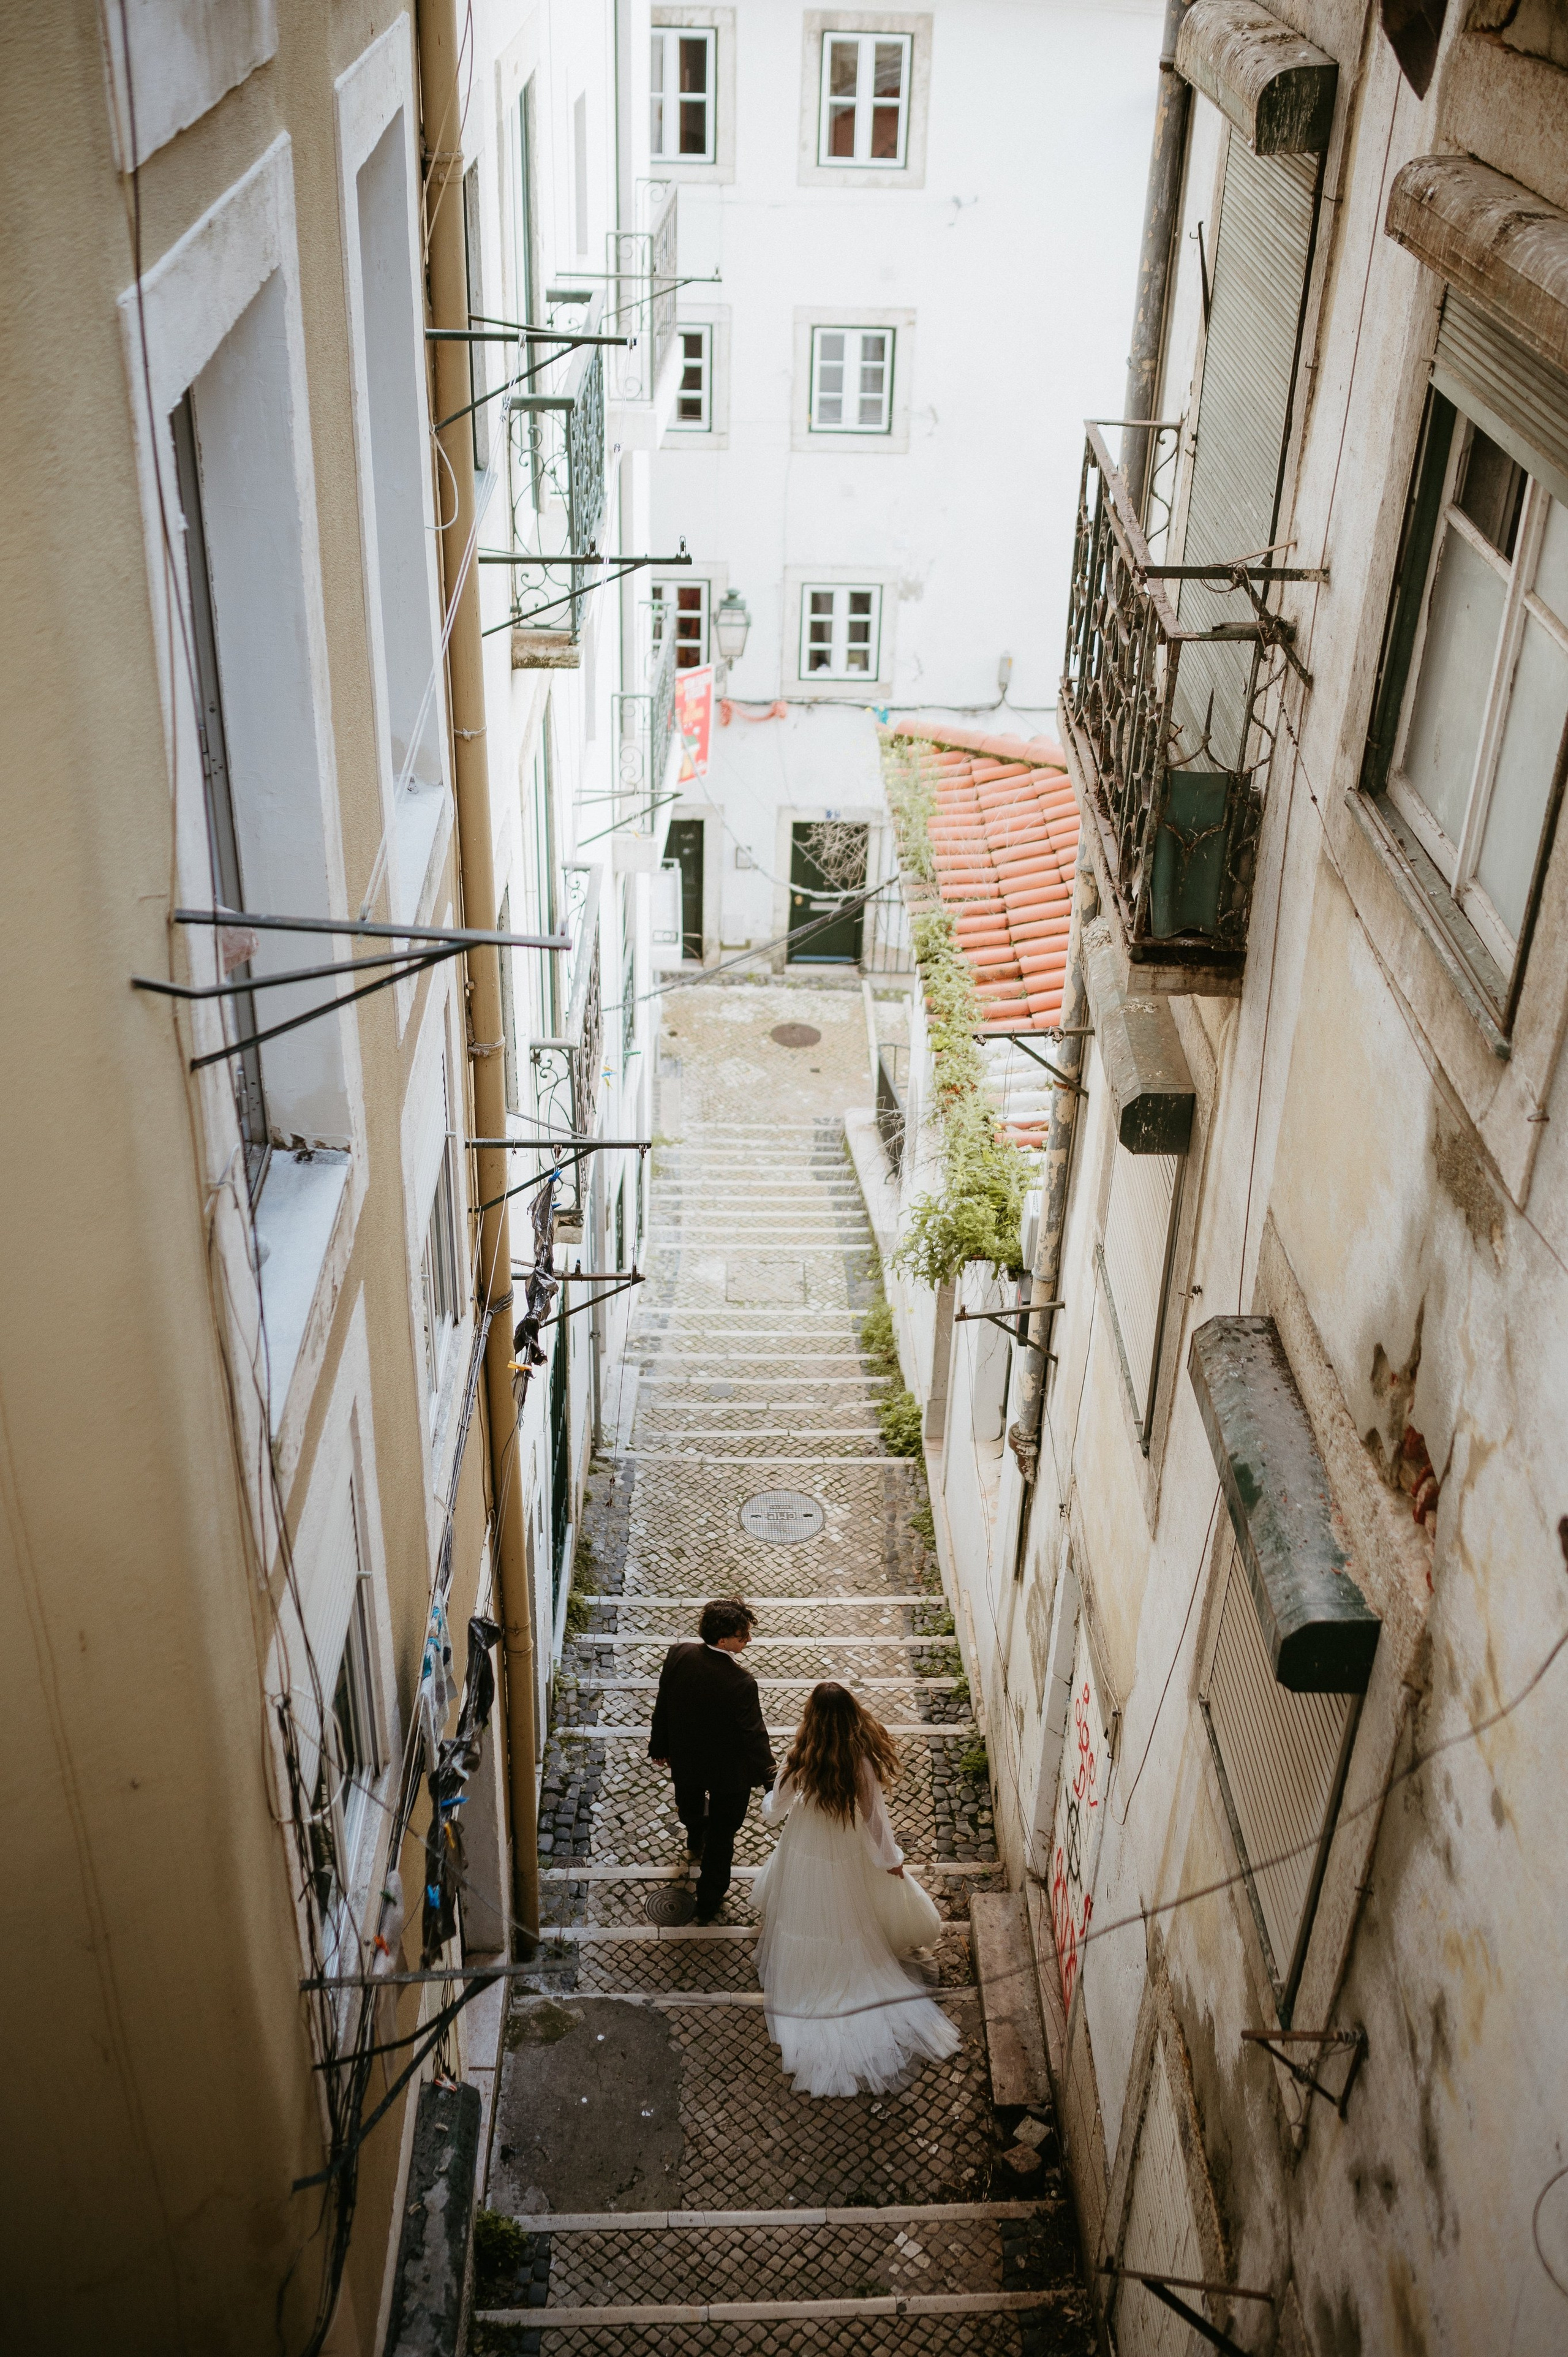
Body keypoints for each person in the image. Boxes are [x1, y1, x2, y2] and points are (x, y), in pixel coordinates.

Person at [752, 1682, 961, 2098]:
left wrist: (775, 1800)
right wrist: (890, 1861)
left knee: (806, 1903)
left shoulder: (802, 1756)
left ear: (811, 1715)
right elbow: (873, 1820)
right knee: (847, 1905)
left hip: (806, 1839)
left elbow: (774, 1809)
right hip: (843, 1841)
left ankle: (809, 1969)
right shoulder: (860, 1760)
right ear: (852, 1713)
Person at [649, 1596, 775, 1924]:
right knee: (723, 1836)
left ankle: (694, 1835)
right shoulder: (742, 1682)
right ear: (723, 1640)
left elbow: (664, 1701)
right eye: (743, 1636)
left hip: (688, 1761)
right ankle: (708, 1900)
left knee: (689, 1807)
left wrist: (659, 1745)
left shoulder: (680, 1654)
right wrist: (771, 1779)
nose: (748, 1640)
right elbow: (753, 1735)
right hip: (728, 1773)